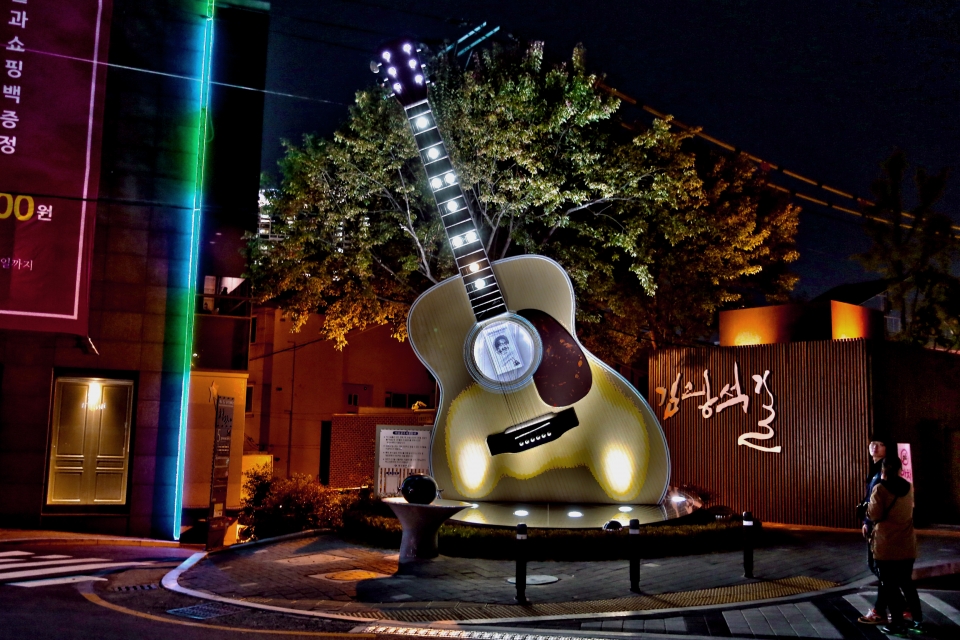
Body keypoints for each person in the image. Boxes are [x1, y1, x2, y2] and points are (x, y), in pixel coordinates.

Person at [867, 455, 923, 637]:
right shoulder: (909, 487)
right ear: (900, 469)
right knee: (907, 583)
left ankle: (897, 624)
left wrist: (866, 509)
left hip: (886, 545)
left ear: (883, 470)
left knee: (889, 586)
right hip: (906, 543)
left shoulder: (880, 489)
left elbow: (874, 514)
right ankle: (918, 621)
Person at [858, 440, 889, 625]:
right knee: (879, 568)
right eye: (872, 443)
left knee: (880, 568)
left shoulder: (884, 470)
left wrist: (868, 521)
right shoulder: (876, 469)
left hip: (880, 527)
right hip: (877, 525)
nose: (874, 447)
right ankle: (899, 604)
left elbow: (877, 501)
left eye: (879, 444)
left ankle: (881, 610)